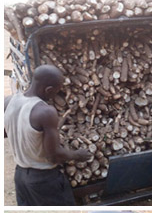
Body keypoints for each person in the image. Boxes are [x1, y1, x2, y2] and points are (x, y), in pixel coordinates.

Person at [4, 65, 91, 205]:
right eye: (55, 92)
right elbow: (54, 155)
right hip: (43, 179)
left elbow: (6, 131)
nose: (55, 95)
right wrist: (77, 155)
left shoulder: (8, 101)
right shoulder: (45, 112)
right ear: (48, 90)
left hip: (20, 175)